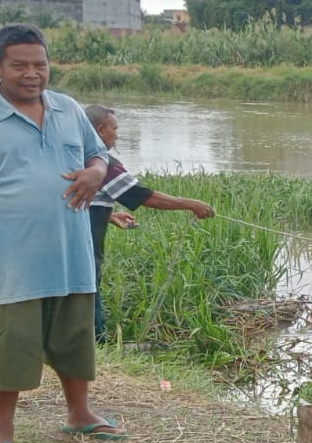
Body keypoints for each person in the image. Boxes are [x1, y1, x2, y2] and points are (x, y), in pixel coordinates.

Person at [0, 23, 126, 443]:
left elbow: (95, 153)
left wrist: (97, 172)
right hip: (8, 257)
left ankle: (80, 414)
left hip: (69, 252)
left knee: (74, 336)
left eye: (40, 65)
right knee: (8, 341)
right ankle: (1, 429)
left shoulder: (67, 108)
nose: (32, 74)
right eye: (19, 65)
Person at [83, 104, 215, 342]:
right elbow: (143, 196)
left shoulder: (72, 154)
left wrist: (110, 216)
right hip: (81, 245)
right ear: (100, 130)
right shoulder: (100, 163)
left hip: (66, 239)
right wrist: (191, 203)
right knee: (86, 291)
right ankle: (96, 346)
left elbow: (78, 200)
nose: (117, 135)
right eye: (115, 129)